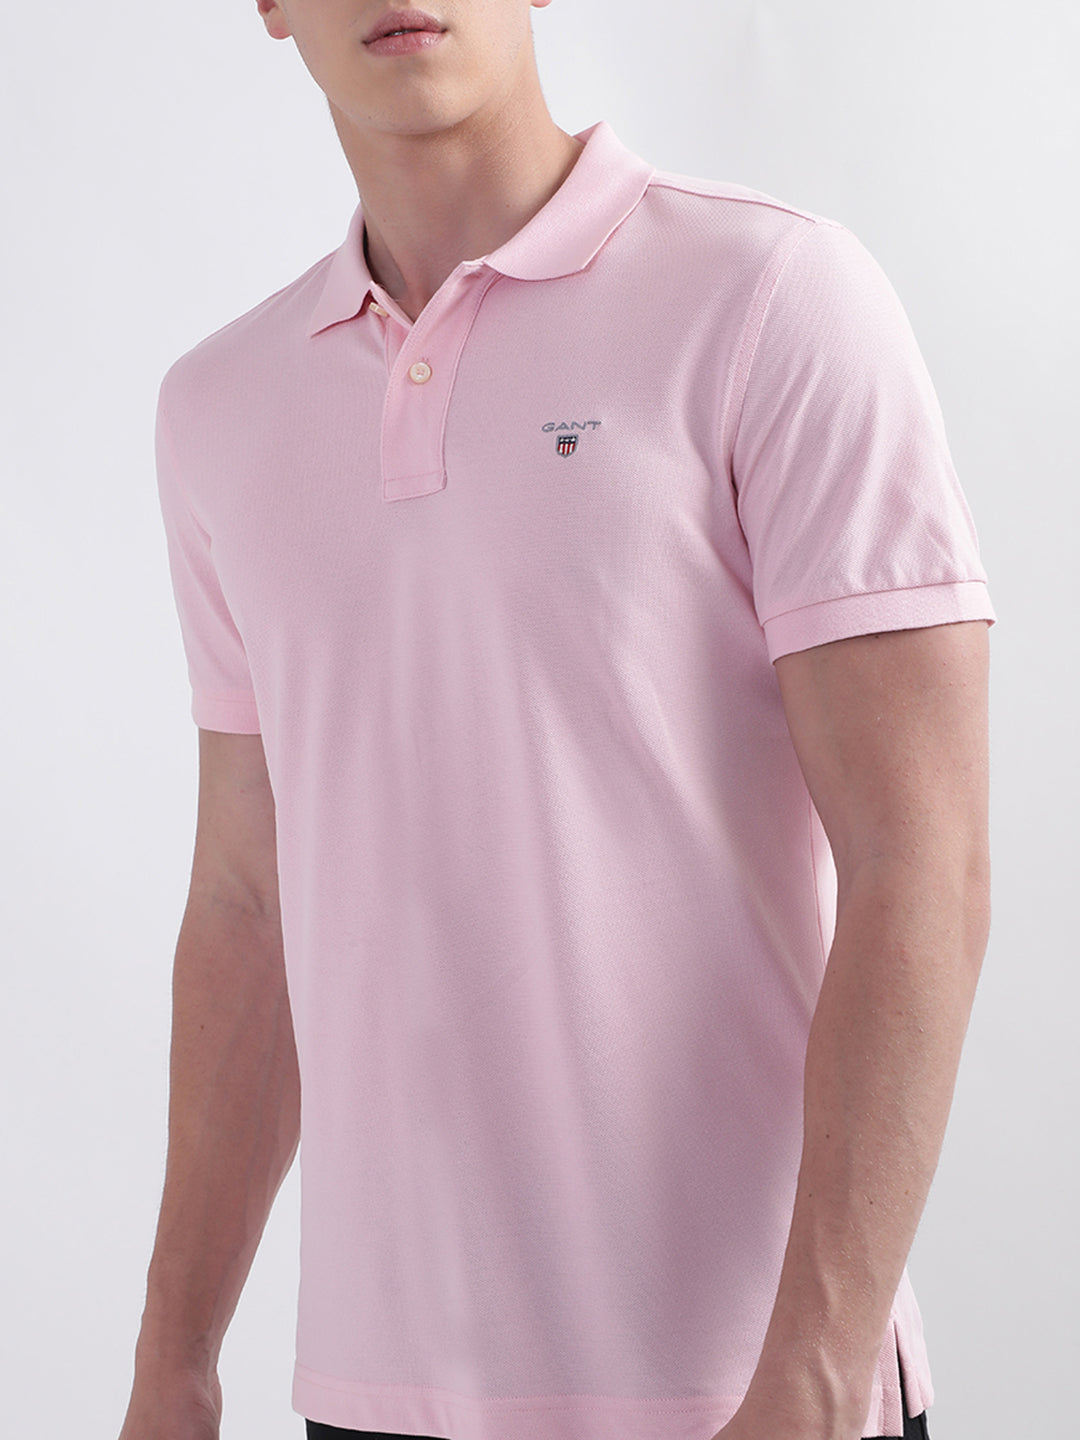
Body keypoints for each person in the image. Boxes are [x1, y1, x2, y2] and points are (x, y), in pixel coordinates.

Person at [117, 2, 995, 1439]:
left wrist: (817, 1373)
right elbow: (245, 905)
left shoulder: (771, 295)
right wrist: (175, 1361)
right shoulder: (219, 407)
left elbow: (924, 866)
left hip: (751, 1389)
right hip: (378, 1391)